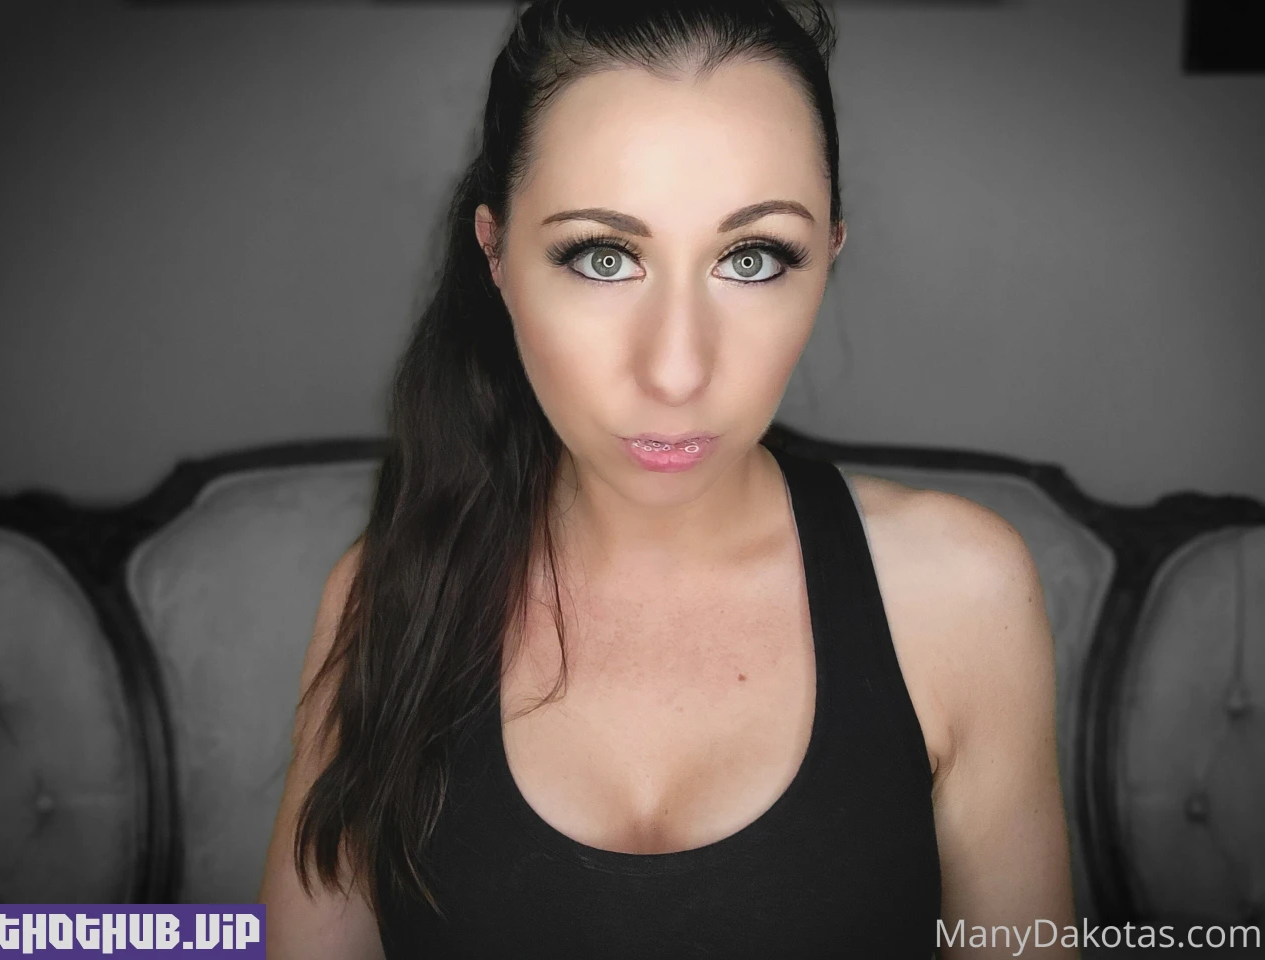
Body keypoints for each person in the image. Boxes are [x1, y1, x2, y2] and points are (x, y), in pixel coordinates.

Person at [258, 1, 1078, 956]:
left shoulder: (960, 597)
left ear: (828, 256)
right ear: (496, 254)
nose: (678, 371)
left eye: (751, 258)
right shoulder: (388, 597)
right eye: (604, 258)